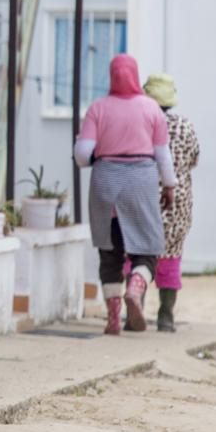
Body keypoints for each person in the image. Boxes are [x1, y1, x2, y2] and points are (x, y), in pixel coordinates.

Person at [74, 54, 177, 335]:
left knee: (110, 255)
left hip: (106, 181)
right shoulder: (152, 109)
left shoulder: (98, 108)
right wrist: (168, 186)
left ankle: (113, 318)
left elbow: (83, 156)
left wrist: (99, 155)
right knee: (148, 250)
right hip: (141, 183)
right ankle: (136, 286)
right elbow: (163, 156)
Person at [143, 73, 200, 332]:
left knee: (139, 254)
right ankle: (165, 316)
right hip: (177, 205)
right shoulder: (185, 126)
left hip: (143, 201)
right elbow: (194, 160)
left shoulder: (142, 124)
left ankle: (136, 307)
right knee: (171, 256)